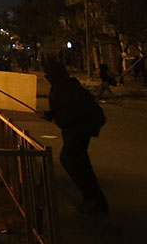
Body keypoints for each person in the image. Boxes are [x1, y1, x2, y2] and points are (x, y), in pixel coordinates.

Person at [42, 60, 108, 214]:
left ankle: (94, 199)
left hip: (79, 130)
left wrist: (57, 119)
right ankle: (94, 198)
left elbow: (70, 112)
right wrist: (49, 115)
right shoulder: (65, 87)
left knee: (72, 161)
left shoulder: (64, 88)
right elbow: (63, 109)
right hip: (77, 130)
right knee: (80, 163)